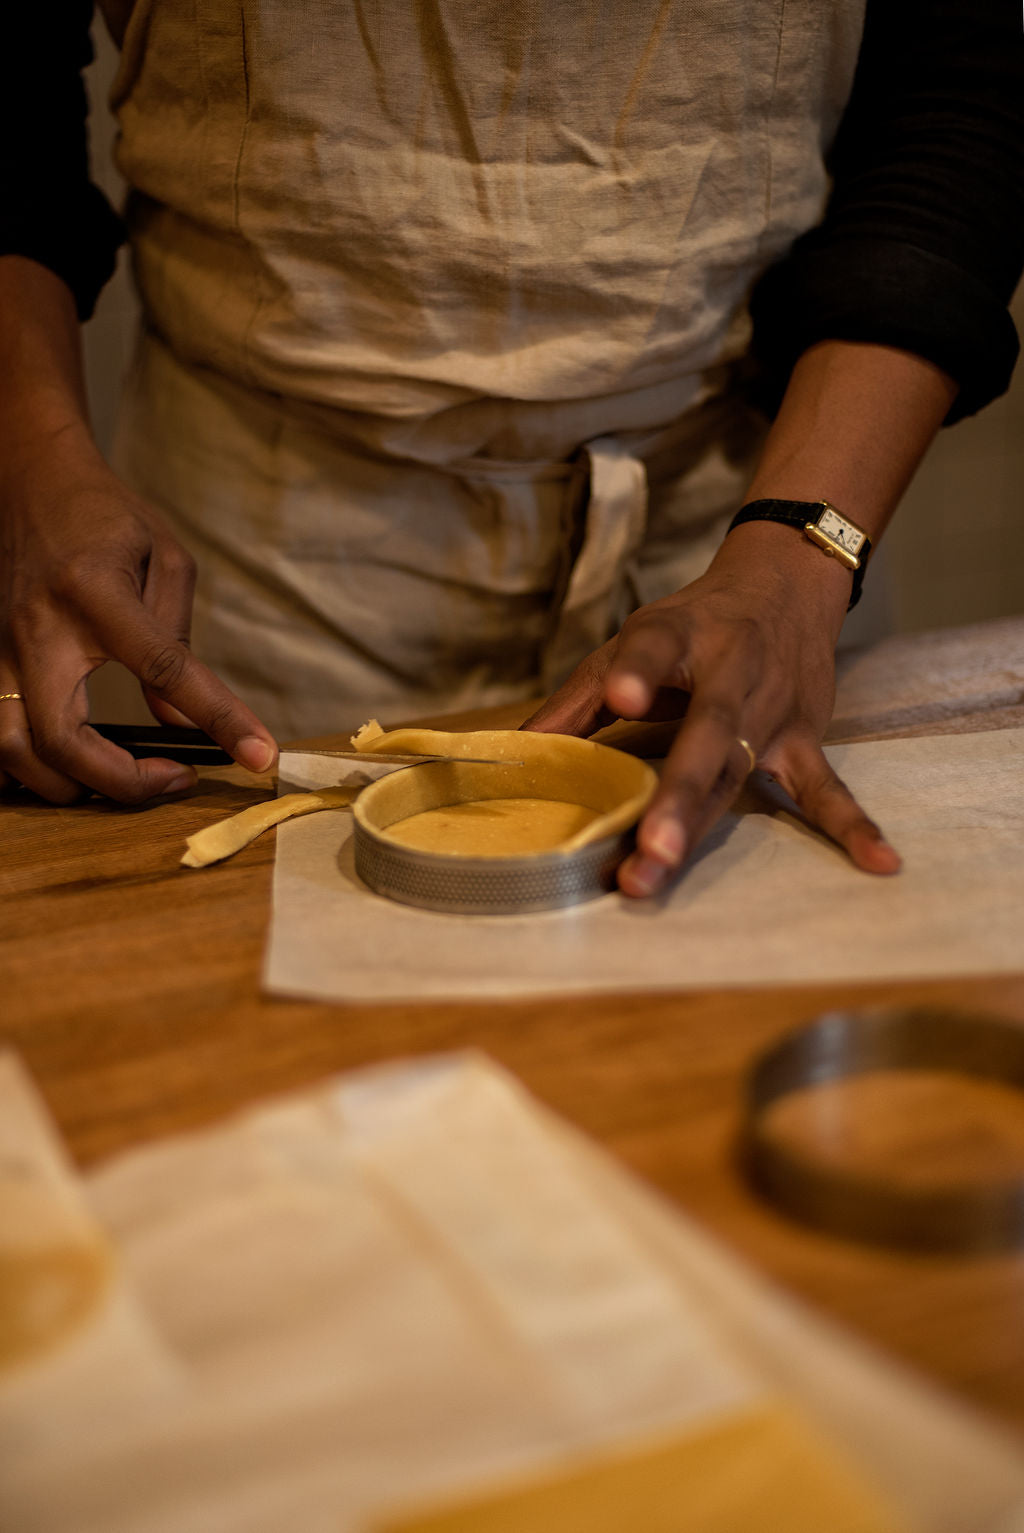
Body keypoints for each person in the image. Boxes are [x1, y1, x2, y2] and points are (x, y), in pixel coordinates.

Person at [1, 1, 1022, 897]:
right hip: (266, 572)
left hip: (753, 531)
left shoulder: (790, 546)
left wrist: (807, 546)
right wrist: (34, 467)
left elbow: (949, 98)